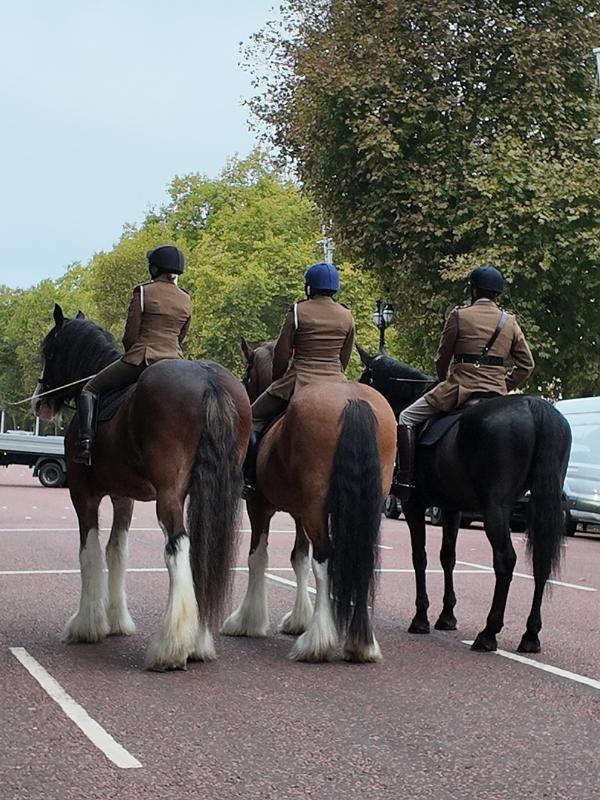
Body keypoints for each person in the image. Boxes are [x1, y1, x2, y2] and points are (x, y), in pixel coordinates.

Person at [395, 265, 535, 498]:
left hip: (460, 389)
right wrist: (504, 385)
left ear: (474, 290)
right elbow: (526, 366)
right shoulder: (510, 322)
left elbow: (442, 358)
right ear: (497, 293)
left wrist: (444, 381)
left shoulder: (459, 316)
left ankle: (405, 479)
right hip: (497, 394)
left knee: (406, 417)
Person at [243, 261, 355, 494]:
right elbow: (345, 356)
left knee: (250, 418)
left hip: (300, 379)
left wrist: (277, 380)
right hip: (336, 381)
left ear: (309, 288)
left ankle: (249, 477)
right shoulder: (347, 315)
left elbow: (282, 354)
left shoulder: (298, 311)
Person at [74, 245, 192, 465]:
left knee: (90, 389)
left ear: (154, 268)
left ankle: (86, 444)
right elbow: (181, 336)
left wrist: (131, 355)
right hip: (175, 361)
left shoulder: (144, 292)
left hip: (142, 358)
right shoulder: (186, 298)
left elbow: (130, 336)